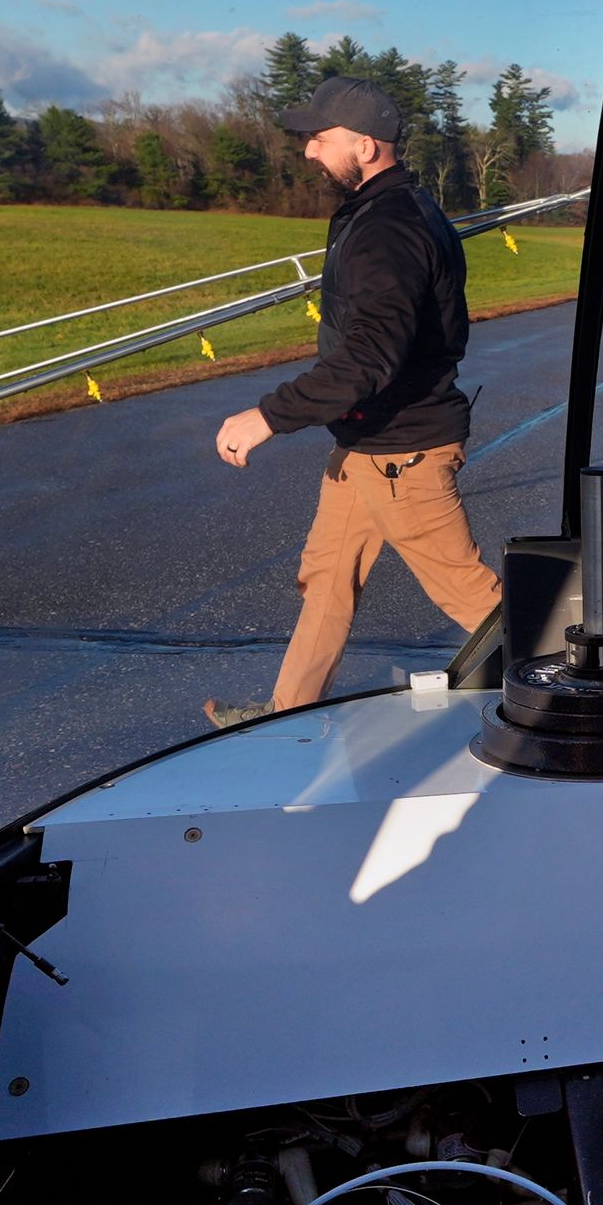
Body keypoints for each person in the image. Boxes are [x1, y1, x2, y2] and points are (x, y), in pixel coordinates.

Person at [205, 73, 503, 723]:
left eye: (319, 138)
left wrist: (267, 415)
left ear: (366, 146)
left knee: (473, 599)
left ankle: (591, 702)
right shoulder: (380, 213)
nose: (308, 152)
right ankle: (284, 719)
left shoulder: (388, 229)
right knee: (326, 581)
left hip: (405, 453)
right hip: (365, 445)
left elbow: (371, 355)